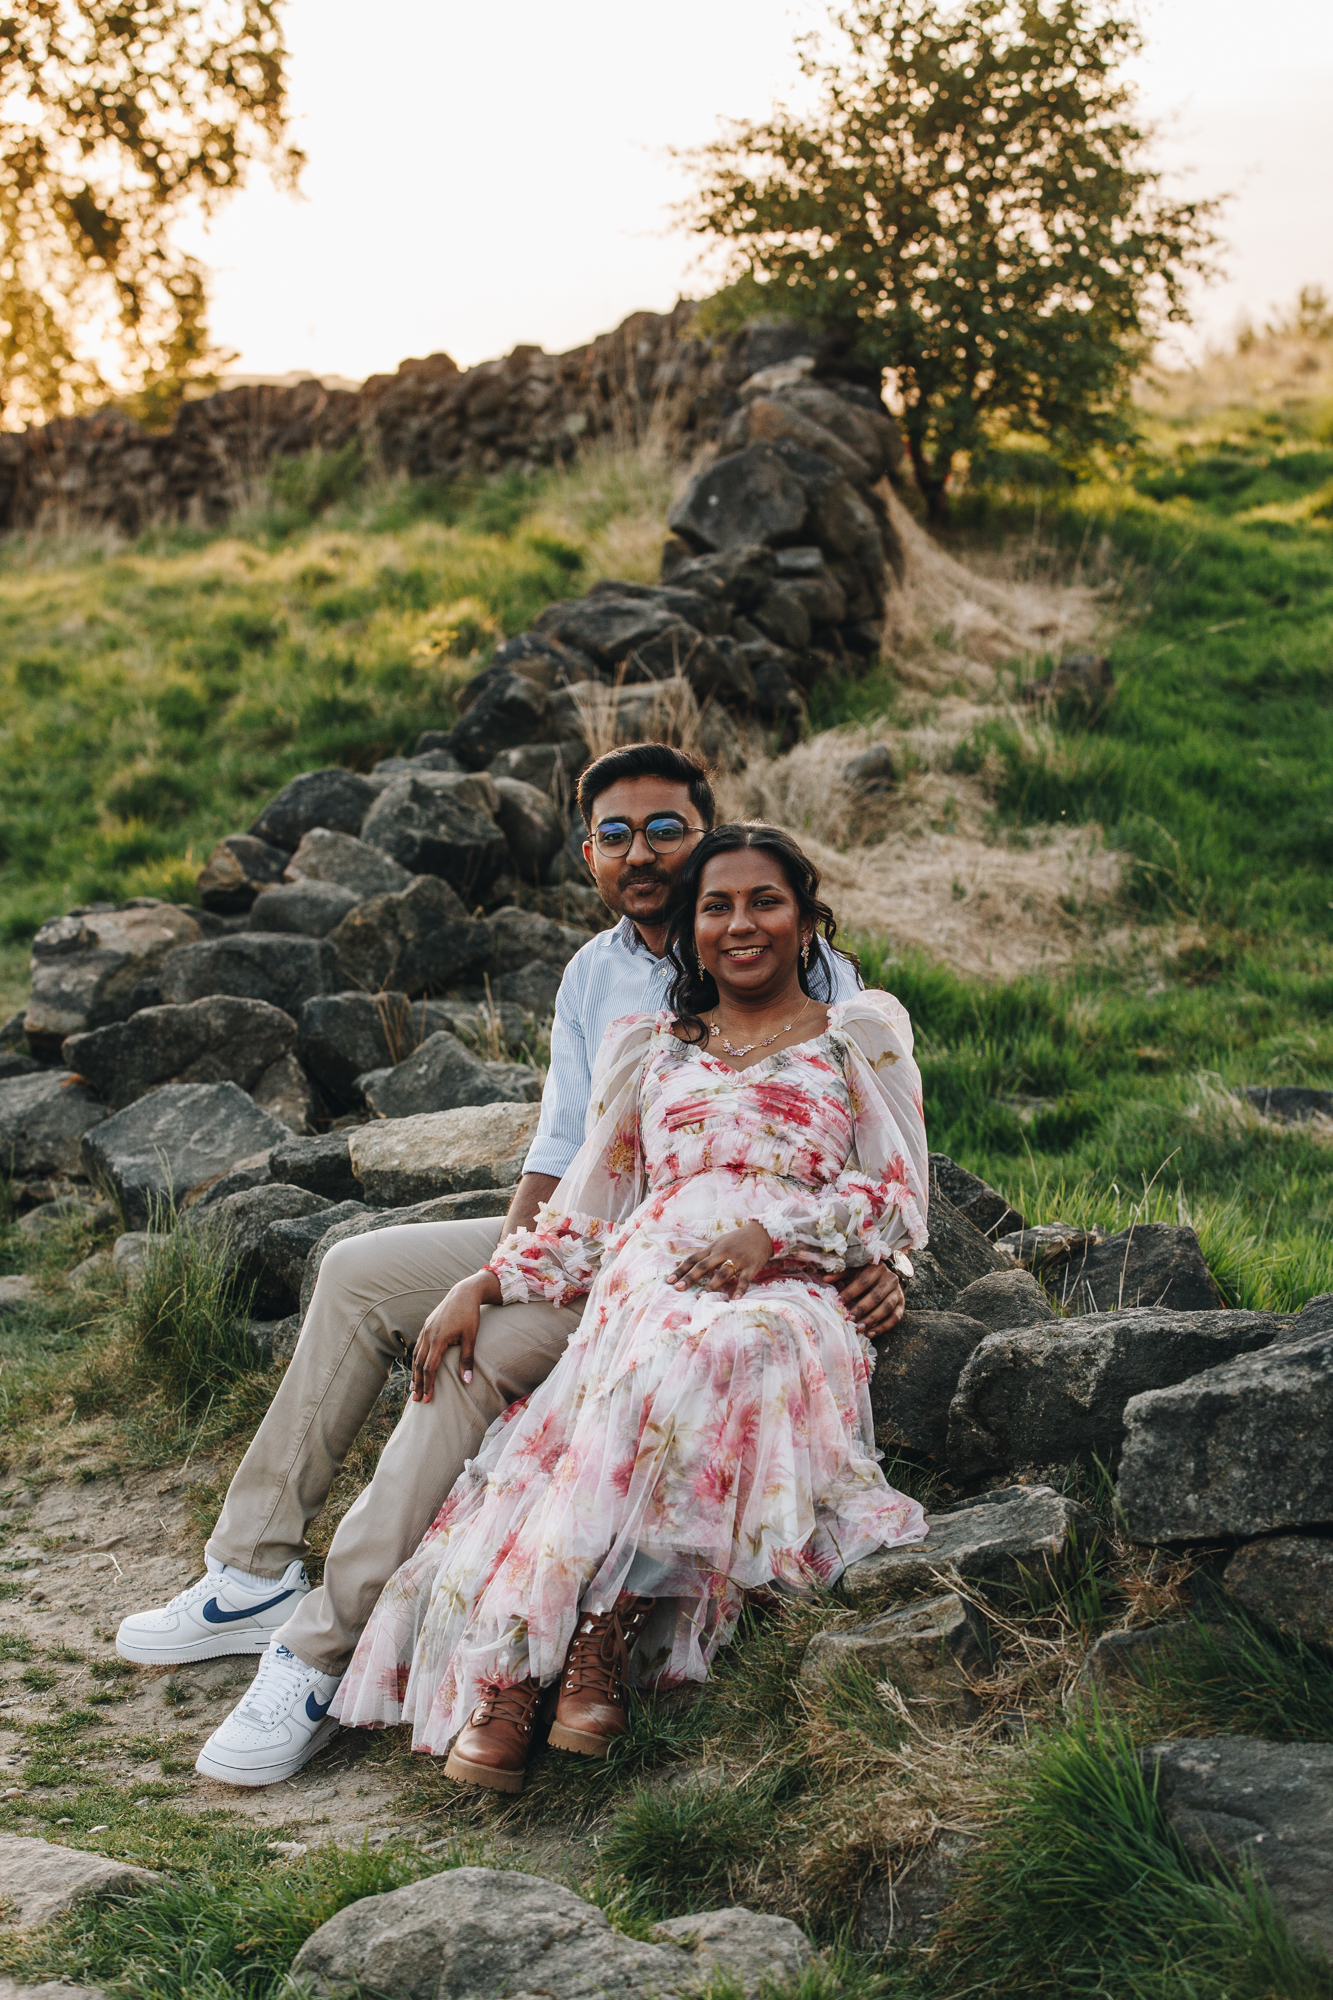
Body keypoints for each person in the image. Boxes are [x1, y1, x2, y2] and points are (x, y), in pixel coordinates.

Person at [114, 744, 905, 1787]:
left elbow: (878, 1157)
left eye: (665, 829)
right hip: (611, 1229)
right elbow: (567, 1151)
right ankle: (249, 1569)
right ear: (588, 854)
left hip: (718, 1259)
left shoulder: (813, 981)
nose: (641, 852)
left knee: (473, 1359)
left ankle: (338, 1647)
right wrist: (500, 1266)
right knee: (357, 1271)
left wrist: (876, 1258)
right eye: (615, 834)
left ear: (711, 840)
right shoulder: (603, 982)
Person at [331, 822, 929, 1792]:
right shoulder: (649, 1049)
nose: (741, 924)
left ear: (806, 918)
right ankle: (518, 1668)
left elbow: (897, 1198)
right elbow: (594, 1214)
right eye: (716, 906)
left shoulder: (857, 1036)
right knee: (655, 1349)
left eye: (765, 901)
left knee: (736, 1344)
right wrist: (485, 1281)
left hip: (790, 1282)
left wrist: (774, 1237)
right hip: (653, 1275)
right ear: (691, 930)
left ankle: (591, 1635)